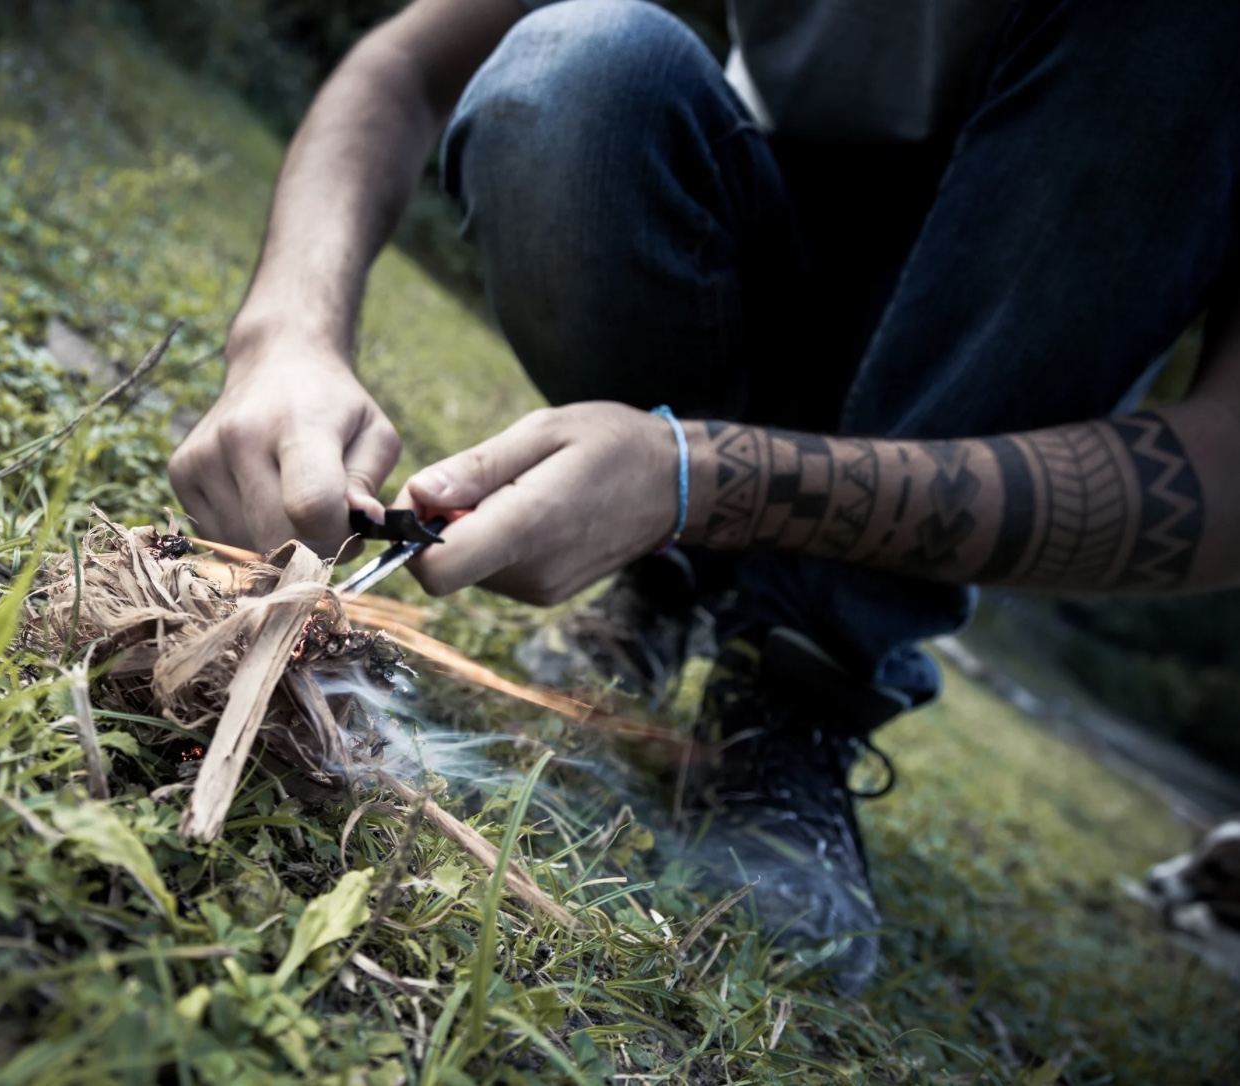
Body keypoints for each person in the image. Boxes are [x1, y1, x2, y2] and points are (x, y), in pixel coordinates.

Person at [169, 0, 1240, 992]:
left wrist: (698, 478)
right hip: (750, 262)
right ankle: (669, 580)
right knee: (573, 75)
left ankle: (807, 672)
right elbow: (407, 64)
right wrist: (286, 341)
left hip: (1001, 358)